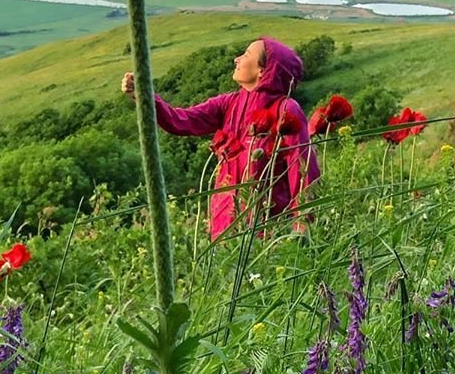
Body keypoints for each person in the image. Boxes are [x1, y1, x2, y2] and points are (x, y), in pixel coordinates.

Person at [122, 37, 319, 239]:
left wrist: (302, 227)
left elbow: (303, 170)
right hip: (222, 230)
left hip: (266, 235)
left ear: (263, 70)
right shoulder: (228, 104)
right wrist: (145, 94)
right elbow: (181, 121)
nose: (237, 59)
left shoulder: (286, 109)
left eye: (246, 55)